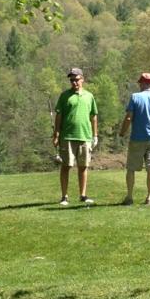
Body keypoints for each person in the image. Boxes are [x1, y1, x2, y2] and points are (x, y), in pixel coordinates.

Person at [119, 72, 150, 206]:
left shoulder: (135, 97)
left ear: (141, 83)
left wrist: (122, 132)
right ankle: (149, 197)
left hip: (137, 138)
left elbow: (129, 117)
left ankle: (129, 197)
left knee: (131, 169)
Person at [53, 68, 98, 205]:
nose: (74, 82)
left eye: (76, 79)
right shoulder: (64, 96)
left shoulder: (89, 96)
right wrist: (56, 134)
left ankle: (83, 195)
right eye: (71, 80)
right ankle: (64, 196)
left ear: (82, 79)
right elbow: (59, 116)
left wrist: (95, 136)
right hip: (67, 136)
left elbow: (94, 116)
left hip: (85, 136)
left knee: (83, 166)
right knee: (66, 166)